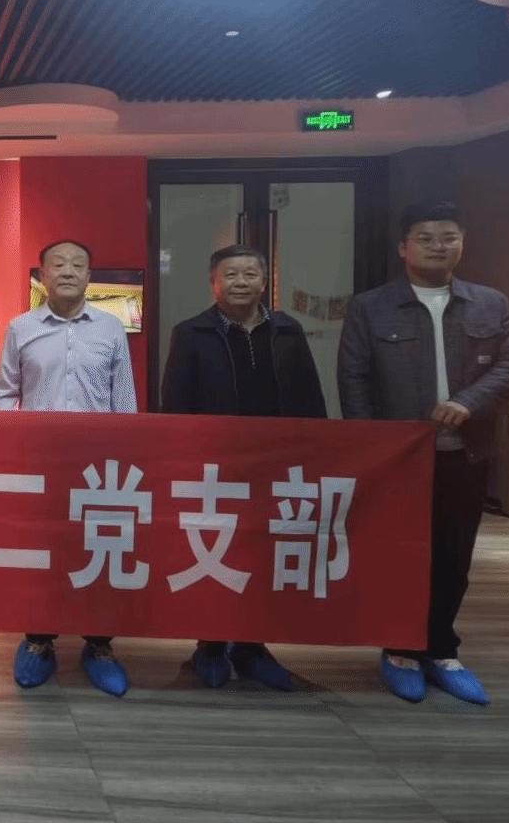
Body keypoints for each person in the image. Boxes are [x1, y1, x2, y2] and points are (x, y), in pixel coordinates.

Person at [338, 200, 509, 705]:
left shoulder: (490, 303)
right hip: (399, 459)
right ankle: (400, 650)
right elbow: (354, 379)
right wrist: (372, 449)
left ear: (462, 243)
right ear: (403, 248)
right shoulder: (371, 307)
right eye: (425, 238)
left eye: (449, 237)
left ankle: (442, 649)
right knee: (400, 555)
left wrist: (470, 401)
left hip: (465, 454)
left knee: (454, 556)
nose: (438, 246)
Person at [161, 243, 328, 692]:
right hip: (215, 469)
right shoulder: (191, 333)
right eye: (230, 275)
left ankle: (252, 646)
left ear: (264, 280)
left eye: (249, 274)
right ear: (213, 283)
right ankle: (211, 645)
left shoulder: (288, 331)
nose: (240, 282)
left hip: (276, 467)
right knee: (216, 554)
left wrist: (318, 453)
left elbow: (310, 396)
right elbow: (175, 404)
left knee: (264, 554)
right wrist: (179, 461)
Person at [0, 239, 137, 697]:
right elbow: (4, 394)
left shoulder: (111, 328)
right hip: (40, 463)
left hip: (100, 465)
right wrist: (12, 451)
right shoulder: (20, 328)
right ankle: (38, 640)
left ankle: (99, 643)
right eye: (59, 264)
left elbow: (124, 398)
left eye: (78, 264)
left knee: (99, 549)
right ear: (43, 276)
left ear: (90, 276)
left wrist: (128, 456)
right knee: (43, 553)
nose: (69, 271)